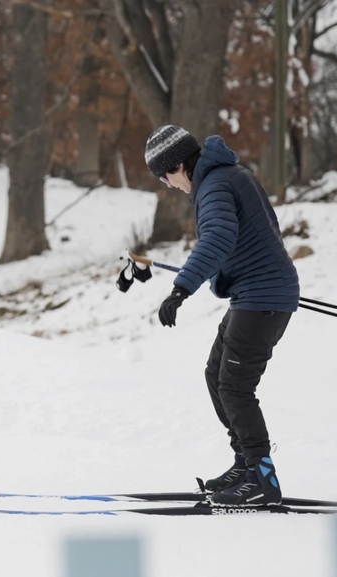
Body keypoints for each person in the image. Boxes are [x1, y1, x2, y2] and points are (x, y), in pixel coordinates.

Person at [144, 125, 299, 507]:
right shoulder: (229, 176)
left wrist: (181, 288)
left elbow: (218, 238)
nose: (167, 185)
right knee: (217, 374)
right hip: (258, 293)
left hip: (262, 298)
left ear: (179, 164)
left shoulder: (214, 185)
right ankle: (246, 464)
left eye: (165, 176)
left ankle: (261, 479)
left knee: (234, 386)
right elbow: (257, 232)